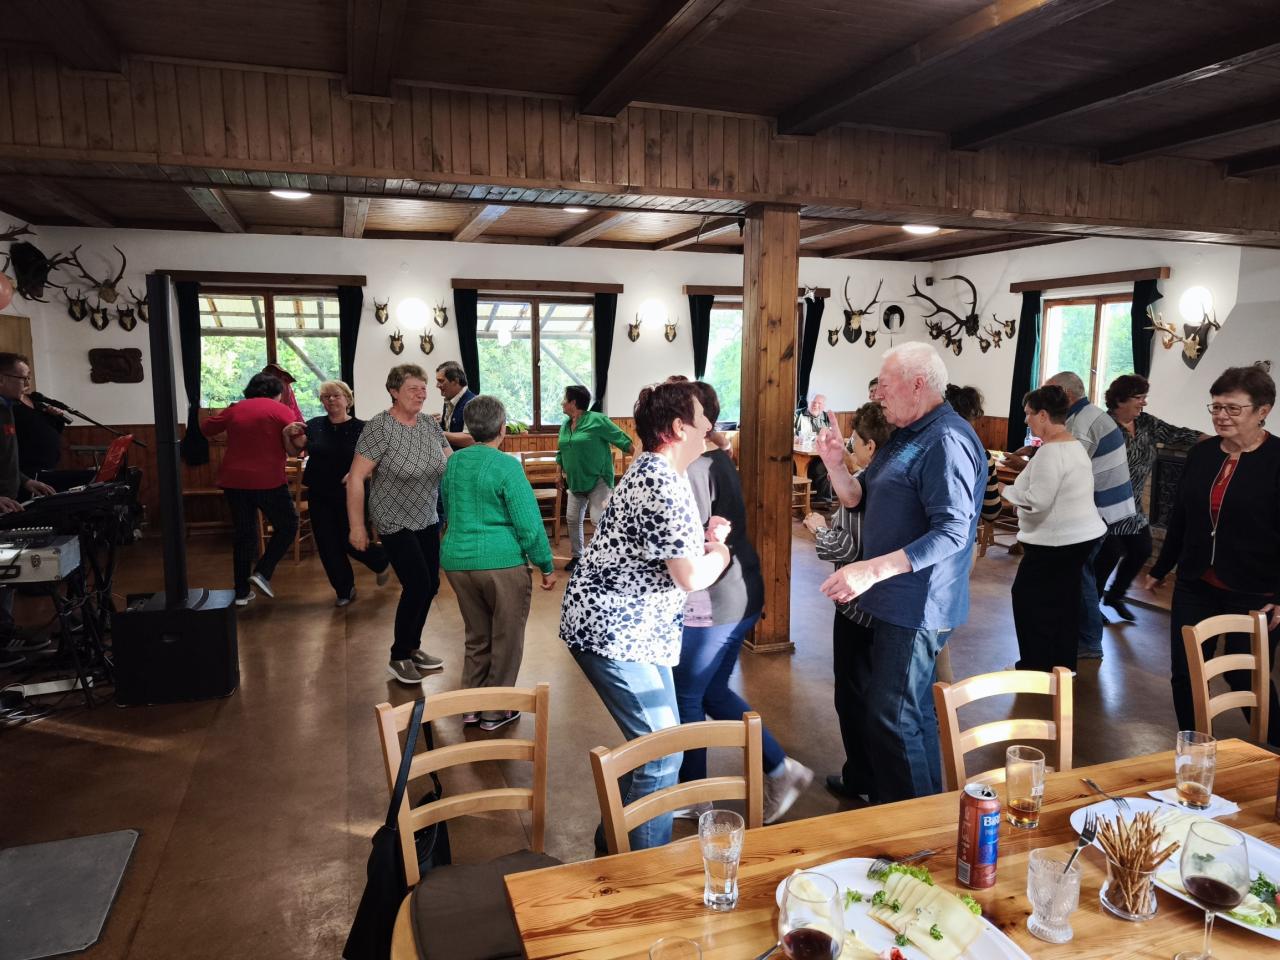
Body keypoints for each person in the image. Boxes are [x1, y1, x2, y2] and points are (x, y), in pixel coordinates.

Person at [560, 379, 730, 851]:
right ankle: (639, 871)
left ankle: (611, 845)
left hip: (635, 630)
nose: (710, 427)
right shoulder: (661, 478)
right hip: (612, 632)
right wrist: (721, 553)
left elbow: (662, 544)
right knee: (661, 755)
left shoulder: (658, 470)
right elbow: (689, 576)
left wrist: (702, 537)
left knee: (657, 745)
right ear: (679, 427)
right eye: (702, 419)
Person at [814, 342, 985, 803]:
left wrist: (870, 570)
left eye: (885, 386)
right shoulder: (907, 434)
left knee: (891, 717)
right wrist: (835, 464)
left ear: (917, 384)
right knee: (909, 714)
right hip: (896, 602)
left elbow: (952, 531)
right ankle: (929, 814)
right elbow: (857, 498)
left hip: (919, 603)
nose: (877, 395)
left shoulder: (946, 440)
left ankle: (911, 828)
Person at [674, 381, 813, 824]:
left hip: (715, 597)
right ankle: (781, 768)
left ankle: (695, 795)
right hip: (740, 590)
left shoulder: (695, 467)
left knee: (687, 694)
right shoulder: (716, 456)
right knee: (712, 691)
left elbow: (688, 547)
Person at [1142, 365, 1280, 746]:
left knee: (1246, 674)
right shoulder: (1202, 453)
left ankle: (1275, 745)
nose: (1221, 415)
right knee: (1186, 671)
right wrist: (1162, 567)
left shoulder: (1277, 459)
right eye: (1216, 407)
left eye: (1233, 408)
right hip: (1196, 581)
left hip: (1255, 589)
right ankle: (1196, 748)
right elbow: (1181, 516)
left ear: (1263, 410)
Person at [440, 394, 556, 731]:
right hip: (500, 562)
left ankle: (471, 706)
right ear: (502, 428)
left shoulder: (454, 463)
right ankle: (495, 711)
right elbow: (529, 523)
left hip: (457, 561)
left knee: (477, 634)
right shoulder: (507, 466)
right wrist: (545, 564)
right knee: (506, 636)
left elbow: (448, 507)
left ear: (469, 428)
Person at [803, 401, 893, 802]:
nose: (851, 449)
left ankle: (861, 777)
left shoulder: (865, 483)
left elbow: (848, 548)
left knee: (853, 694)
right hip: (889, 605)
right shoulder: (895, 478)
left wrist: (818, 528)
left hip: (858, 606)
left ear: (870, 446)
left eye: (854, 442)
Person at [348, 364, 452, 684]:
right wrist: (357, 526)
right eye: (413, 389)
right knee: (417, 584)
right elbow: (356, 477)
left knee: (431, 585)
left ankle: (412, 646)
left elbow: (450, 462)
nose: (421, 394)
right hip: (392, 517)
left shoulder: (429, 424)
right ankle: (399, 656)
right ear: (394, 391)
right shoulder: (380, 427)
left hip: (426, 515)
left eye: (424, 388)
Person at [1003, 386, 1106, 672]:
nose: (1026, 420)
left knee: (1028, 600)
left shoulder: (1051, 452)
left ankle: (1034, 668)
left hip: (1056, 543)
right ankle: (1062, 668)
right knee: (1064, 603)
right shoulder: (1073, 445)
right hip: (1080, 538)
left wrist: (1006, 492)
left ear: (1044, 415)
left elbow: (1038, 501)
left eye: (1029, 414)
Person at [1043, 371, 1139, 660]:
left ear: (1066, 394)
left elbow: (1068, 470)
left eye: (1050, 392)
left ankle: (1088, 640)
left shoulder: (1081, 423)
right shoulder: (1086, 415)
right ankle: (1080, 634)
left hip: (1098, 510)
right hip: (1104, 508)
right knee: (1080, 570)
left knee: (1080, 571)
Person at [1094, 374, 1202, 622]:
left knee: (1141, 549)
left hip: (1132, 507)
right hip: (1105, 506)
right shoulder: (1103, 426)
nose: (1144, 402)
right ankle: (1091, 607)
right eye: (1139, 397)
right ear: (1120, 399)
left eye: (1144, 397)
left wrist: (1220, 440)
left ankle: (1115, 596)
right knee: (1108, 556)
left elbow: (1178, 434)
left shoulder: (1146, 423)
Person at [283, 380, 391, 606]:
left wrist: (358, 474)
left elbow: (378, 460)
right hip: (319, 492)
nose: (331, 400)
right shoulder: (313, 425)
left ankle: (381, 560)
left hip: (351, 493)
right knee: (326, 543)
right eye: (326, 397)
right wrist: (286, 435)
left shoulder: (363, 428)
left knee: (351, 541)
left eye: (335, 395)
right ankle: (344, 589)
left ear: (347, 400)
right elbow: (295, 450)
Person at [201, 373, 299, 606]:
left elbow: (206, 428)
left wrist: (229, 415)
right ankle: (263, 572)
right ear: (278, 392)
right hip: (268, 480)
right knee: (288, 525)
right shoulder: (282, 410)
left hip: (234, 480)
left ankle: (241, 593)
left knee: (244, 534)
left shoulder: (235, 409)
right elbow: (297, 440)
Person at [0, 353, 56, 664]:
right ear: (1, 379)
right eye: (22, 378)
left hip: (10, 501)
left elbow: (6, 461)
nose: (27, 384)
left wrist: (25, 481)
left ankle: (5, 635)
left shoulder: (8, 410)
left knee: (5, 573)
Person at [555, 384, 633, 572]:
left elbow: (623, 440)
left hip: (598, 480)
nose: (562, 403)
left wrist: (644, 460)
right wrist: (558, 473)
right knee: (572, 519)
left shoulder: (597, 420)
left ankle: (606, 558)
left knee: (599, 520)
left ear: (573, 403)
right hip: (575, 482)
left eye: (565, 399)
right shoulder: (565, 425)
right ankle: (578, 556)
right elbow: (561, 451)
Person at [944, 384, 1003, 525]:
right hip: (963, 531)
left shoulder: (922, 445)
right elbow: (991, 512)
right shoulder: (982, 456)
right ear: (973, 416)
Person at [795, 394, 833, 499]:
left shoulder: (827, 417)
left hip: (820, 455)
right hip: (799, 455)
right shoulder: (798, 414)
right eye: (813, 402)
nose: (816, 405)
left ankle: (824, 501)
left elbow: (831, 436)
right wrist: (796, 438)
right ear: (808, 402)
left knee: (824, 467)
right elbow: (789, 434)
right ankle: (802, 499)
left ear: (824, 406)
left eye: (819, 403)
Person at [435, 361, 476, 449]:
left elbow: (470, 439)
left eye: (441, 381)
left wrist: (436, 432)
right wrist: (435, 423)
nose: (437, 385)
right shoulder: (449, 400)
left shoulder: (473, 403)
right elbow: (450, 429)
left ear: (455, 381)